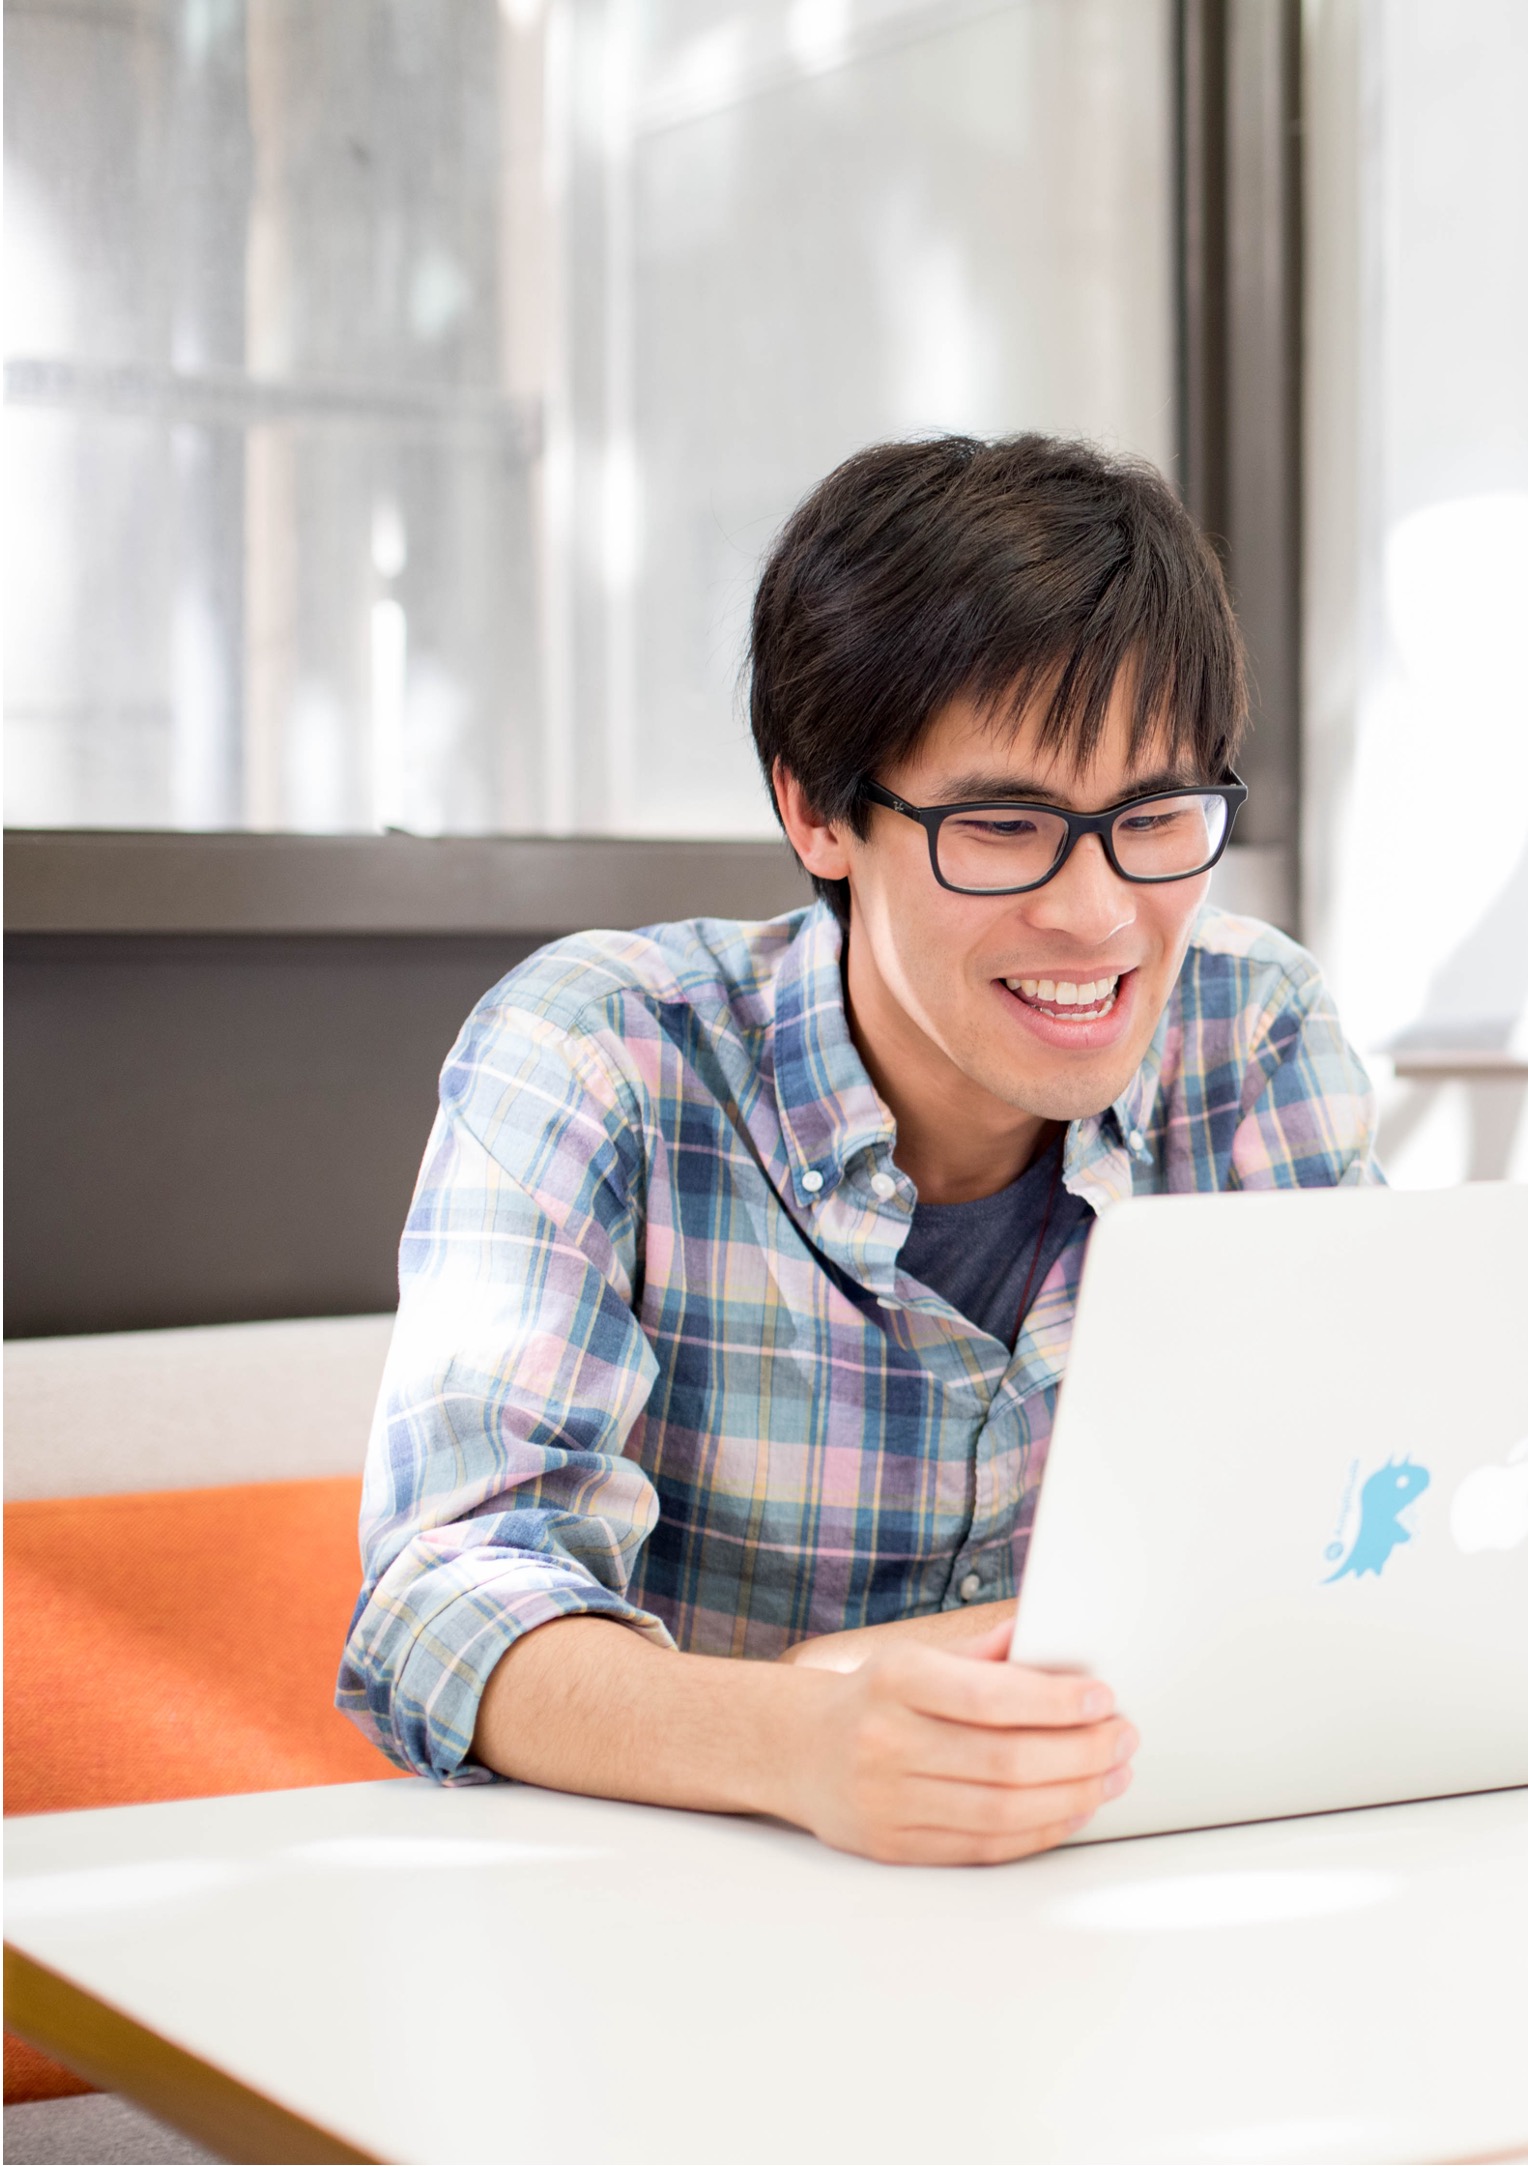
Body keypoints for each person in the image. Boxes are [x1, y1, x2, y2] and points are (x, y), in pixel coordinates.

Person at [338, 435, 1375, 1864]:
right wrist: (803, 1743)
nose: (1096, 913)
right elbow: (445, 1605)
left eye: (1152, 818)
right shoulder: (600, 1054)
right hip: (677, 1916)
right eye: (1004, 825)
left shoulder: (1252, 1030)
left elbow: (1351, 1516)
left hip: (1125, 1878)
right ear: (817, 811)